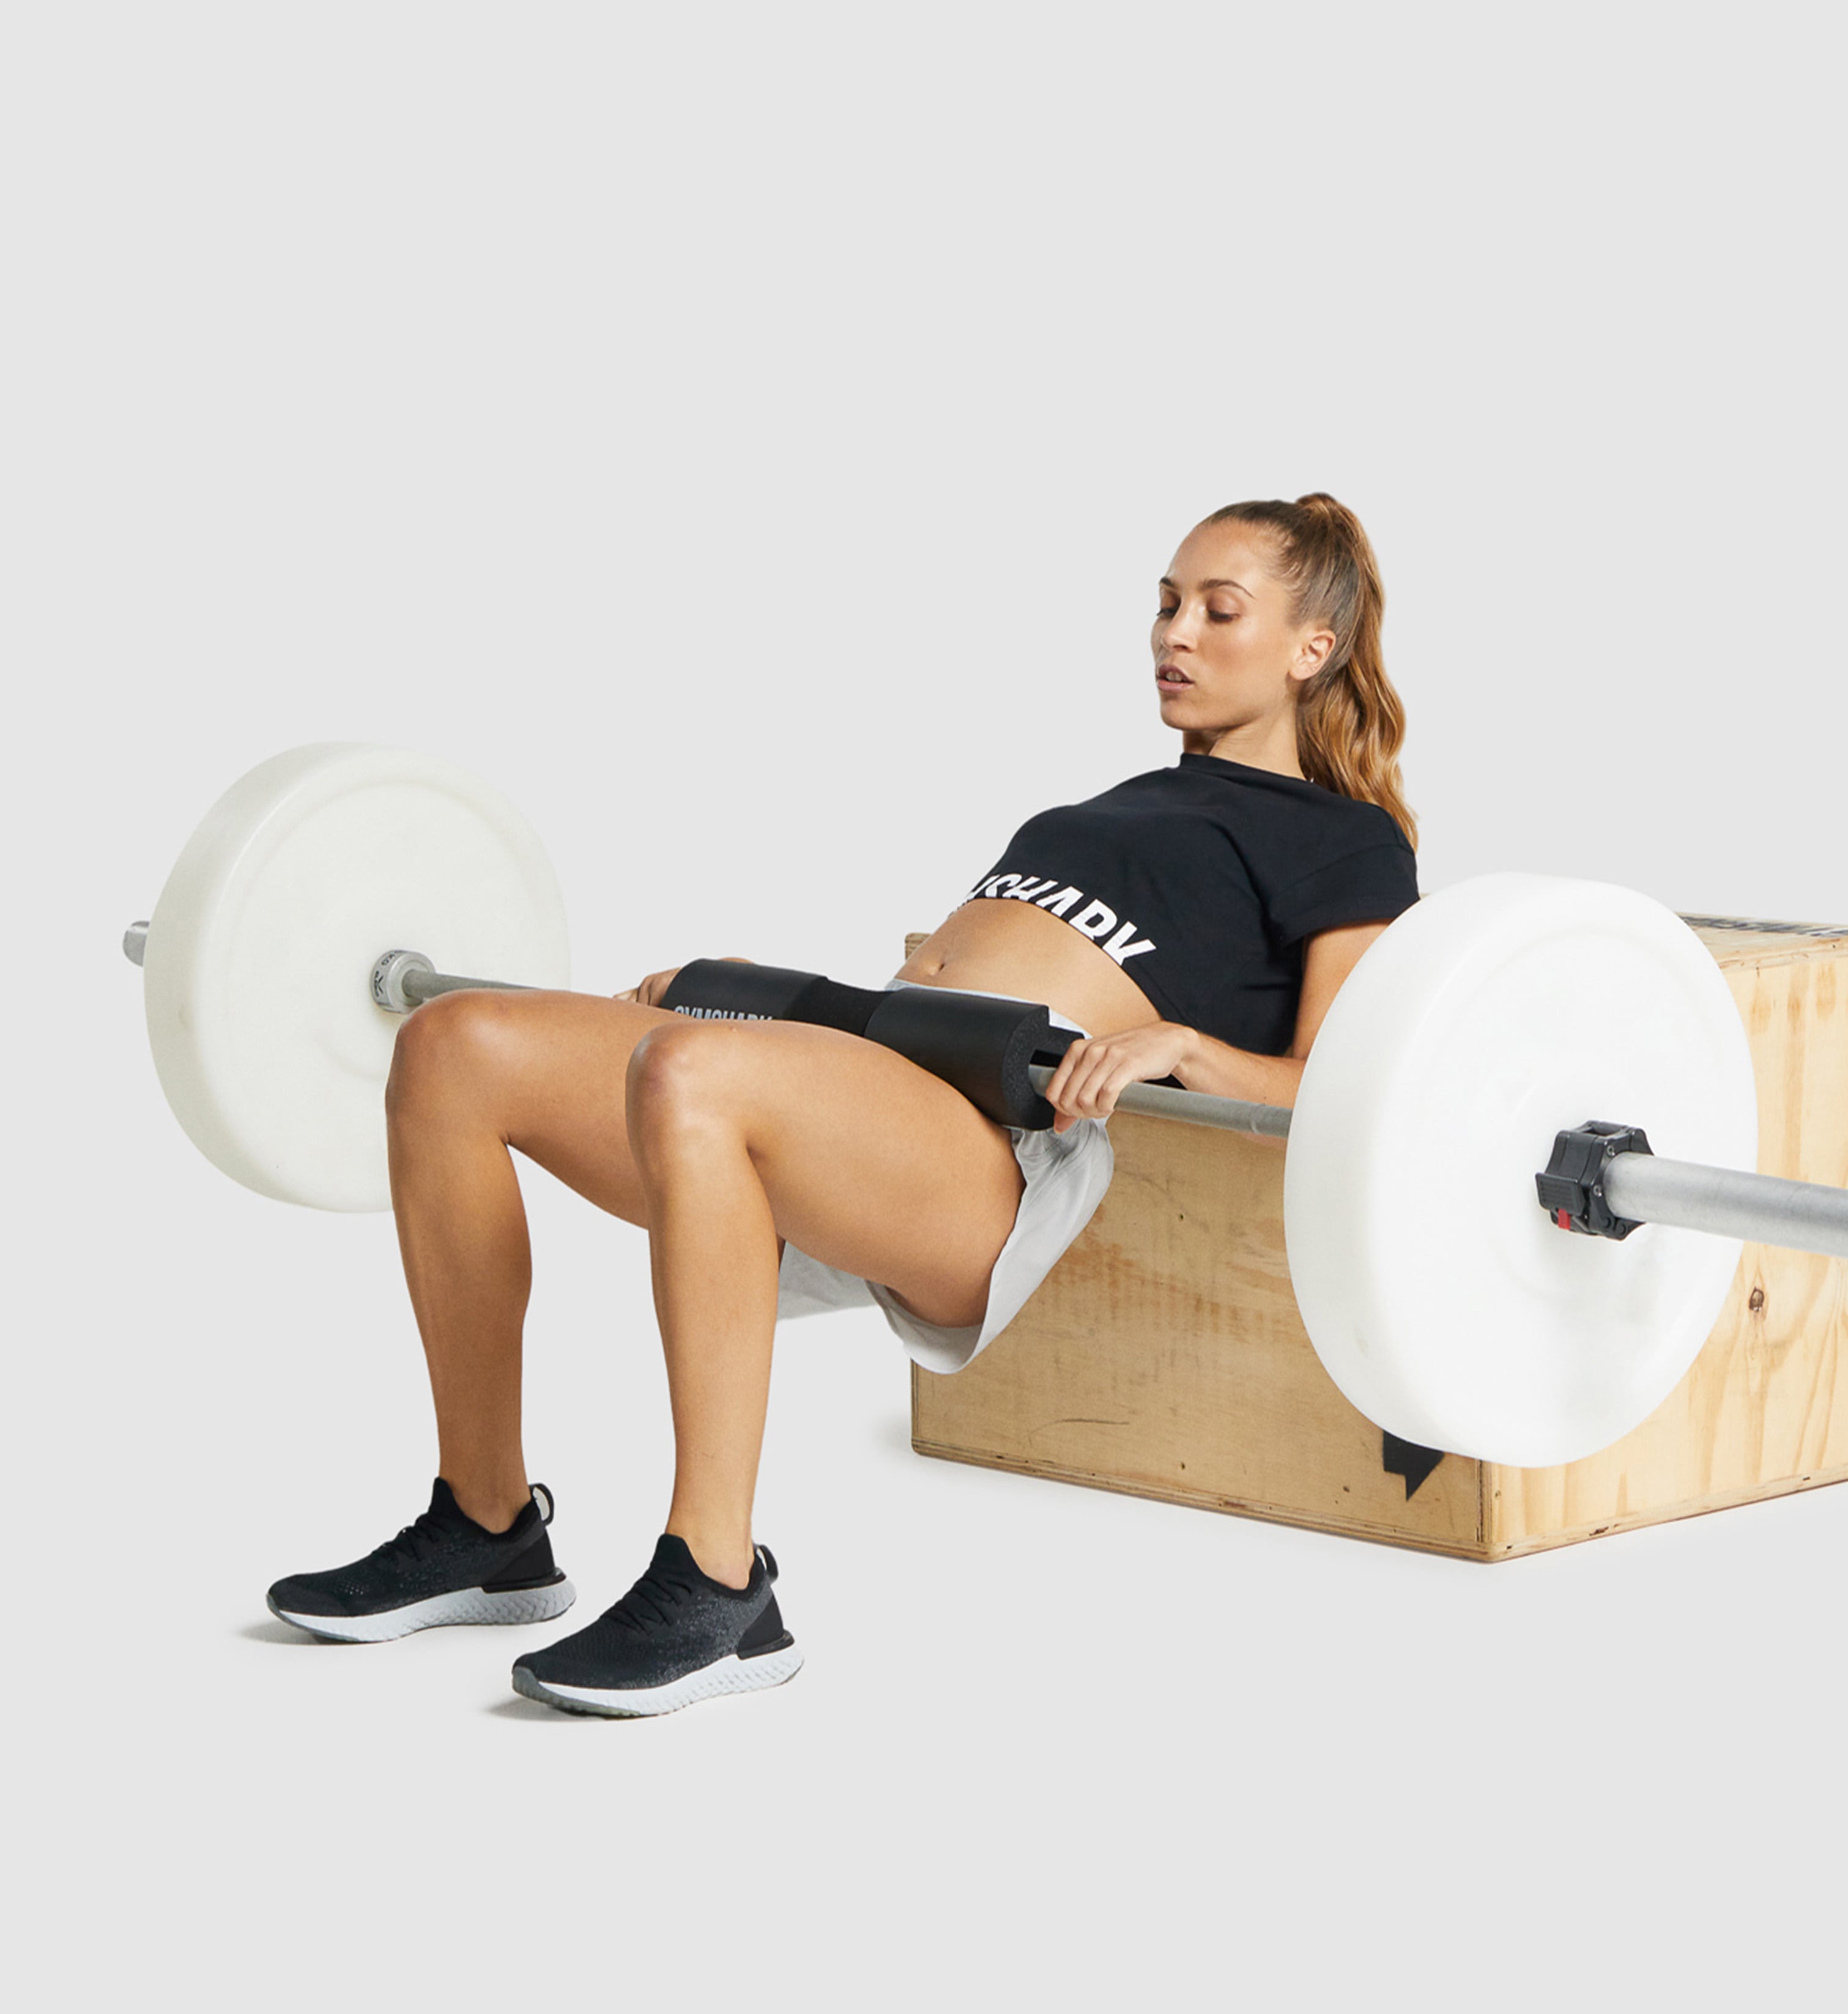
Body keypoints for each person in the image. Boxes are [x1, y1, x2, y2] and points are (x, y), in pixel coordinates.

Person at [264, 492, 1423, 1717]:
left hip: (1000, 1157)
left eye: (1219, 611)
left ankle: (718, 1584)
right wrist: (754, 993)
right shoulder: (1123, 801)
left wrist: (1187, 1049)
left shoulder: (1346, 842)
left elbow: (1341, 1086)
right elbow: (927, 1000)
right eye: (1167, 603)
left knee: (692, 1067)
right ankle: (485, 1523)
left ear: (1312, 648)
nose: (1174, 633)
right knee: (453, 1045)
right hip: (877, 1087)